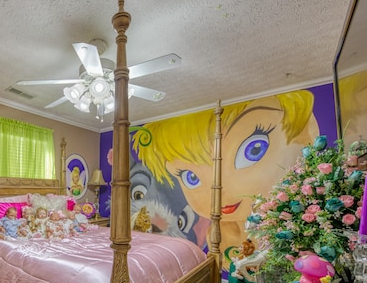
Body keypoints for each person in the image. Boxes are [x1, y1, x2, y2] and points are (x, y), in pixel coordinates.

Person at [133, 92, 319, 263]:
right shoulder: (216, 234)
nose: (219, 190)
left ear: (308, 135)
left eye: (253, 150)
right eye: (191, 177)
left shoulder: (295, 228)